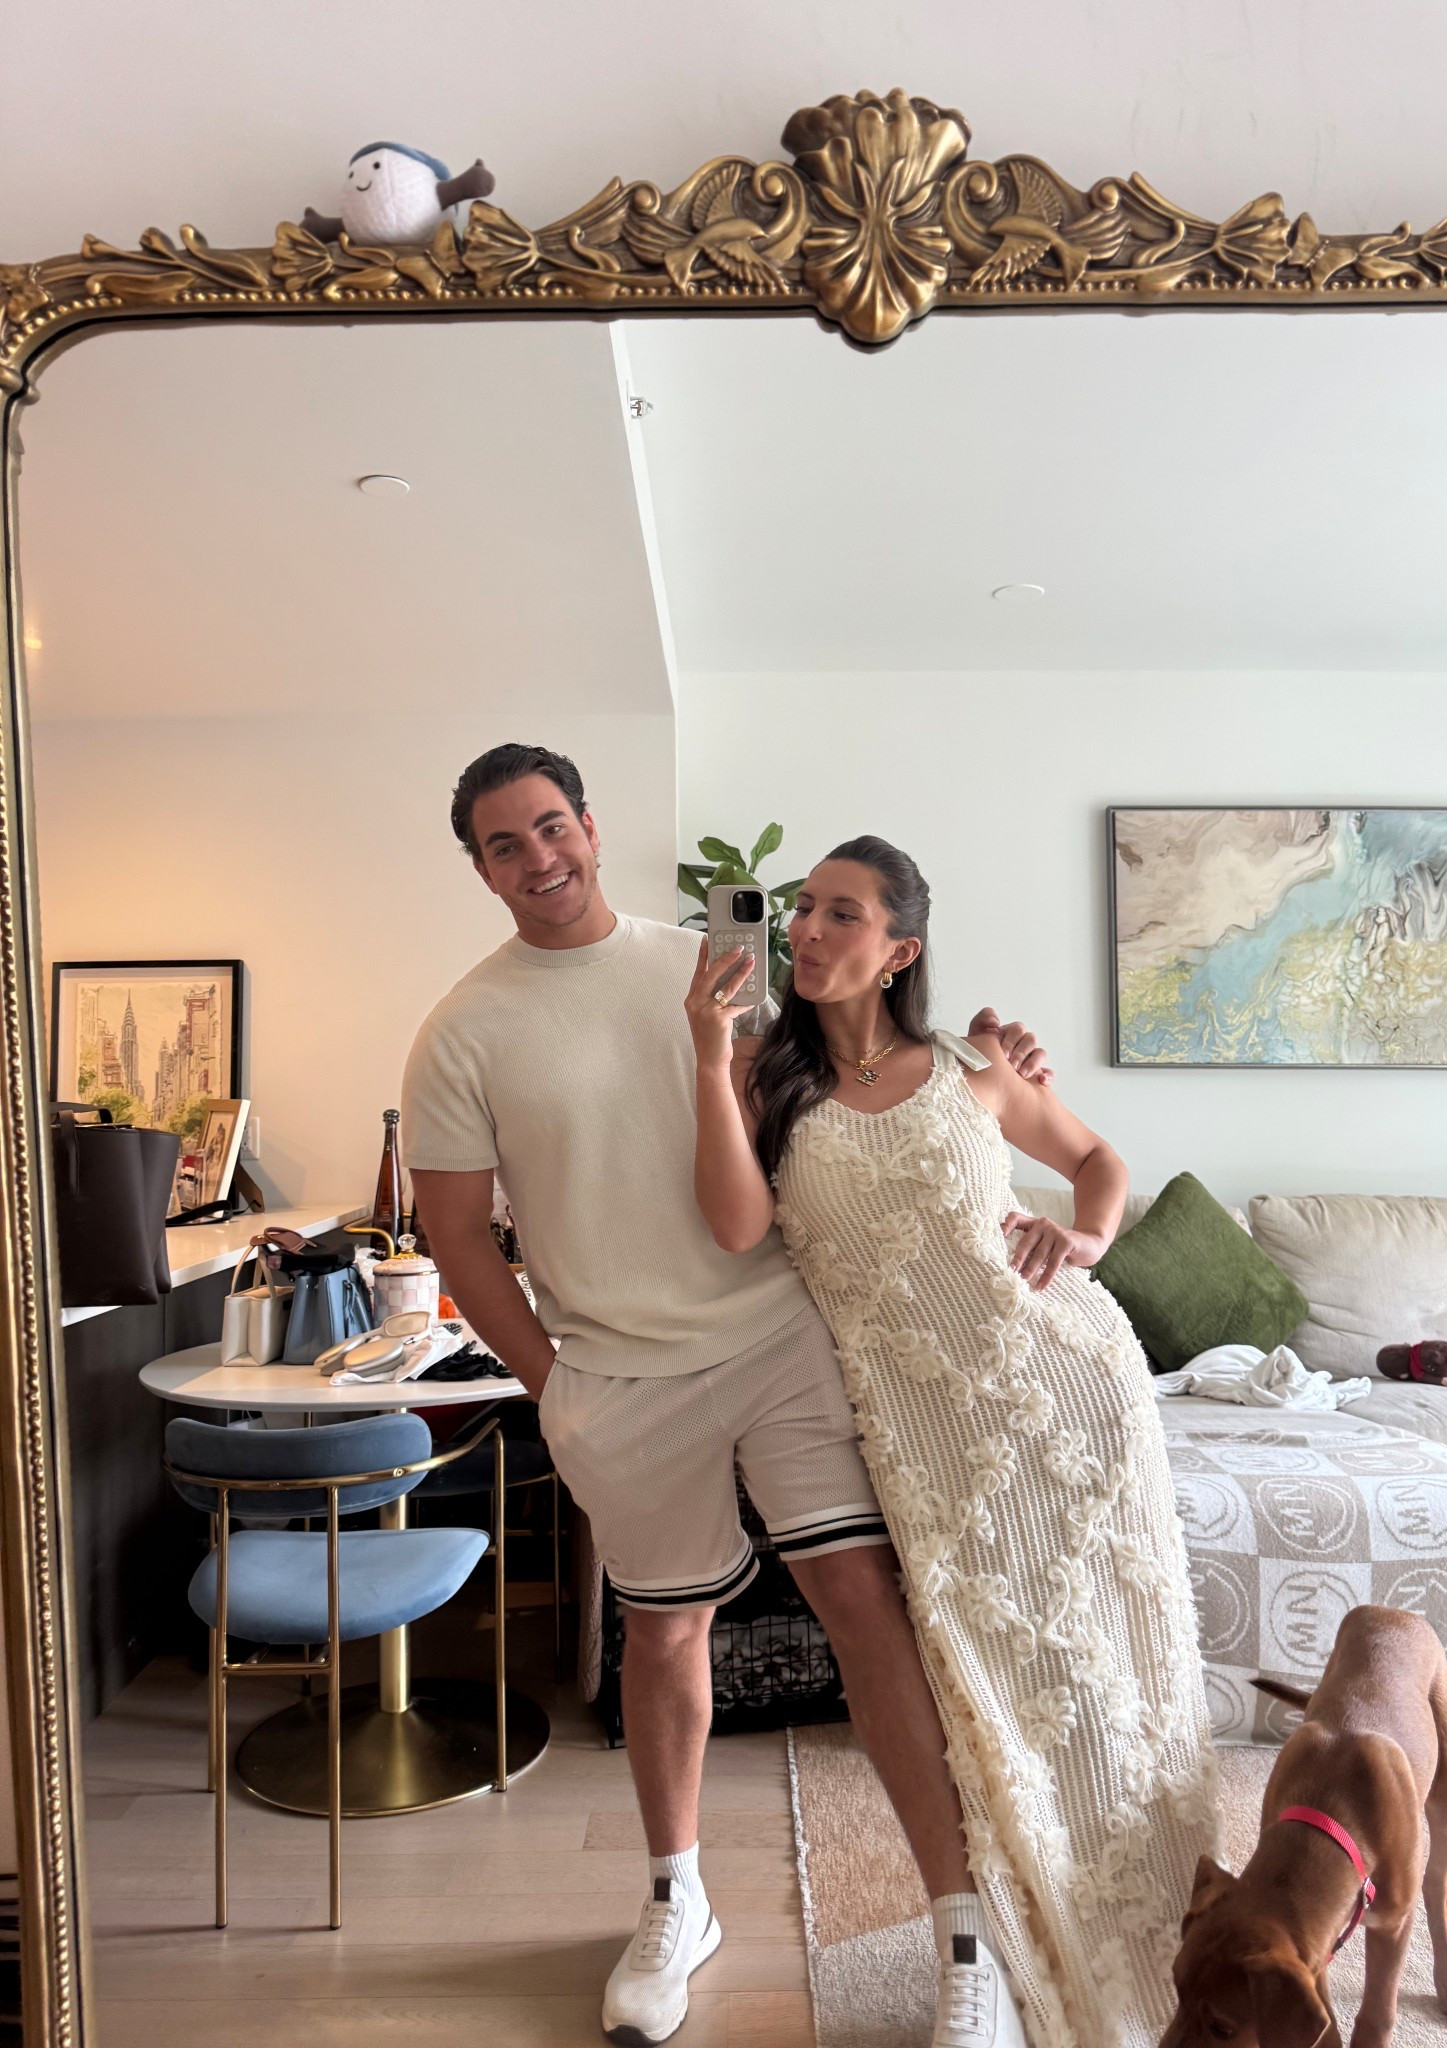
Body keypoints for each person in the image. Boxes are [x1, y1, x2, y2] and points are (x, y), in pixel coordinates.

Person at [402, 744, 1051, 2048]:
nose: (538, 859)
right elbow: (458, 1236)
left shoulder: (718, 967)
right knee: (663, 1634)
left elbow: (867, 1069)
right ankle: (674, 1899)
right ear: (480, 870)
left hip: (775, 1336)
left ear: (592, 826)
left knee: (864, 1605)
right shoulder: (461, 1030)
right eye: (504, 845)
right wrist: (554, 1384)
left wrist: (1001, 1072)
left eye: (550, 827)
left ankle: (962, 1937)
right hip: (617, 1375)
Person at [686, 834, 1219, 2048]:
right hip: (930, 1435)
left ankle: (1178, 1930)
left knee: (1109, 1671)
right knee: (992, 1685)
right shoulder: (767, 1076)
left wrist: (1086, 1239)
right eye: (804, 908)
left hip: (1072, 1392)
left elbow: (1099, 1162)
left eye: (842, 912)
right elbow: (733, 1226)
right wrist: (711, 1058)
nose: (808, 928)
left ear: (899, 949)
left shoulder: (975, 1066)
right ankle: (999, 1947)